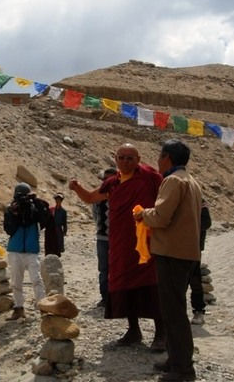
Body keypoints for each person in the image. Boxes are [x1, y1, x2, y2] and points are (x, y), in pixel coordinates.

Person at [69, 144, 165, 350]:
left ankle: (160, 333)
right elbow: (91, 198)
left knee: (151, 283)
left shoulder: (150, 177)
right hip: (121, 242)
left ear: (139, 159)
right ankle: (133, 330)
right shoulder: (112, 183)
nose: (125, 161)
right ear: (115, 159)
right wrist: (77, 188)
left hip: (145, 241)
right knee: (124, 282)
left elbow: (164, 200)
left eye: (130, 158)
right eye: (121, 157)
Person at [134, 139, 202, 382]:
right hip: (185, 252)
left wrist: (143, 214)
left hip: (172, 253)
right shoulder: (190, 180)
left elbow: (161, 217)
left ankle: (183, 367)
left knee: (173, 312)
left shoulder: (173, 181)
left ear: (167, 158)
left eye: (160, 156)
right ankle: (175, 358)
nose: (158, 161)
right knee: (174, 308)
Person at [3, 182, 48, 321]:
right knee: (16, 281)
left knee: (37, 280)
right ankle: (18, 308)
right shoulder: (11, 210)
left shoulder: (34, 208)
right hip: (16, 250)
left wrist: (36, 202)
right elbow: (8, 230)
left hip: (31, 250)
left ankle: (43, 307)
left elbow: (45, 219)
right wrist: (13, 214)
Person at [93, 167, 117, 306]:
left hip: (118, 239)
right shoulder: (98, 196)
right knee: (103, 269)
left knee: (118, 268)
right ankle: (105, 297)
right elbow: (95, 215)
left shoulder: (123, 194)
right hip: (103, 238)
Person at [189, 200, 212, 325]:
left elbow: (206, 223)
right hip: (173, 247)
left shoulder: (198, 200)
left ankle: (198, 310)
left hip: (193, 247)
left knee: (195, 280)